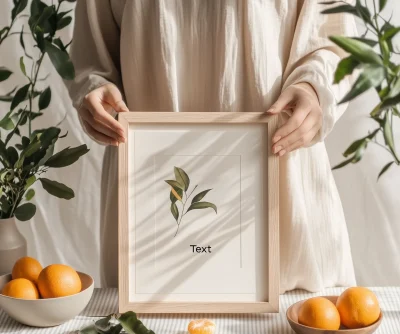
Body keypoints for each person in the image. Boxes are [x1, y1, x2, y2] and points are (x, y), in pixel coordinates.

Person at [67, 0, 357, 293]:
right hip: (149, 203)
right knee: (148, 328)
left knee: (298, 323)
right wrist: (94, 89)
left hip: (283, 189)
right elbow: (91, 50)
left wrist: (315, 88)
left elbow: (337, 39)